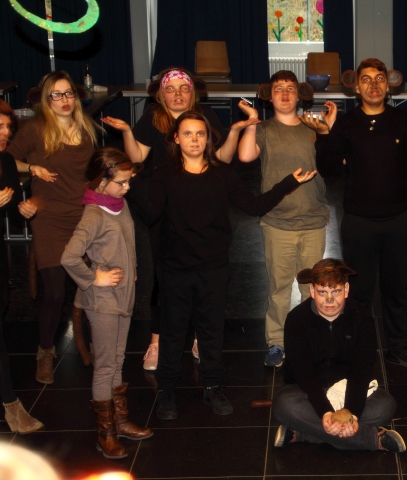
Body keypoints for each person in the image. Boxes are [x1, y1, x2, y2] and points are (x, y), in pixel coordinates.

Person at [127, 111, 316, 420]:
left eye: (200, 134)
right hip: (174, 269)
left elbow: (253, 206)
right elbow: (150, 216)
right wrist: (132, 185)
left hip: (213, 268)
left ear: (208, 139)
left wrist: (288, 183)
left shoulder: (222, 174)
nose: (194, 140)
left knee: (212, 332)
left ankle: (213, 387)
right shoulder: (162, 174)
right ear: (176, 139)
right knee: (172, 333)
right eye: (187, 134)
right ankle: (166, 391)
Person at [301, 58, 407, 372]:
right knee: (359, 293)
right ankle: (356, 350)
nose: (373, 85)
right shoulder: (347, 124)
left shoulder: (401, 119)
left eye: (379, 79)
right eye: (366, 79)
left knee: (396, 290)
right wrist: (325, 137)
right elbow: (330, 171)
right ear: (356, 88)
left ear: (388, 86)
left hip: (398, 221)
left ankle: (398, 348)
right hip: (359, 223)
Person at [102, 67, 249, 371]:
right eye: (171, 89)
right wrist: (127, 132)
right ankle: (157, 342)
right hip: (162, 209)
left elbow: (222, 158)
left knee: (202, 279)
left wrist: (235, 131)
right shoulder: (152, 117)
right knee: (162, 278)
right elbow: (137, 158)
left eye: (184, 88)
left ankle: (198, 338)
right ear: (162, 94)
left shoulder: (205, 116)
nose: (178, 94)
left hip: (199, 208)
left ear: (192, 93)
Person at [6, 71, 98, 384]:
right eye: (56, 95)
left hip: (83, 214)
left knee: (93, 287)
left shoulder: (86, 127)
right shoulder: (36, 129)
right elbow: (6, 160)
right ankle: (45, 351)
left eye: (68, 93)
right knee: (56, 293)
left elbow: (93, 172)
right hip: (49, 218)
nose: (64, 100)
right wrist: (32, 167)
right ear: (46, 100)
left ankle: (96, 343)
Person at [61, 147, 152, 459]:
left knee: (117, 359)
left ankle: (120, 421)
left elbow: (128, 241)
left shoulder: (119, 204)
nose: (127, 187)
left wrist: (132, 267)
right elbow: (69, 257)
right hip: (102, 301)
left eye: (128, 181)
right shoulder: (93, 214)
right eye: (121, 182)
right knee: (105, 366)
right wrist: (92, 278)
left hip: (122, 295)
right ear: (101, 181)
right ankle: (106, 434)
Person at [238, 70, 329, 367]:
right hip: (277, 223)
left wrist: (328, 131)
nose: (285, 94)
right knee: (279, 289)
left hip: (313, 220)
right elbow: (245, 156)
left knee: (311, 288)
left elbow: (335, 159)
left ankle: (309, 339)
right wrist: (252, 121)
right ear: (270, 96)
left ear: (299, 94)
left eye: (291, 88)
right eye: (279, 89)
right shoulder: (264, 129)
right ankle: (277, 342)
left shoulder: (312, 126)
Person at [273, 259, 405, 452]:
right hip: (308, 392)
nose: (329, 300)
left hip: (346, 390)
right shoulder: (296, 319)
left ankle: (303, 433)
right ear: (312, 291)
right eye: (322, 292)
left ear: (346, 289)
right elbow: (304, 373)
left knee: (385, 407)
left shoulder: (361, 319)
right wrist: (325, 412)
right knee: (284, 405)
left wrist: (352, 414)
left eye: (335, 291)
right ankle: (372, 439)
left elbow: (361, 371)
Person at [0, 100, 44, 434]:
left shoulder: (4, 162)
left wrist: (24, 210)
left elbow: (14, 213)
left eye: (7, 128)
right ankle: (11, 405)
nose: (5, 134)